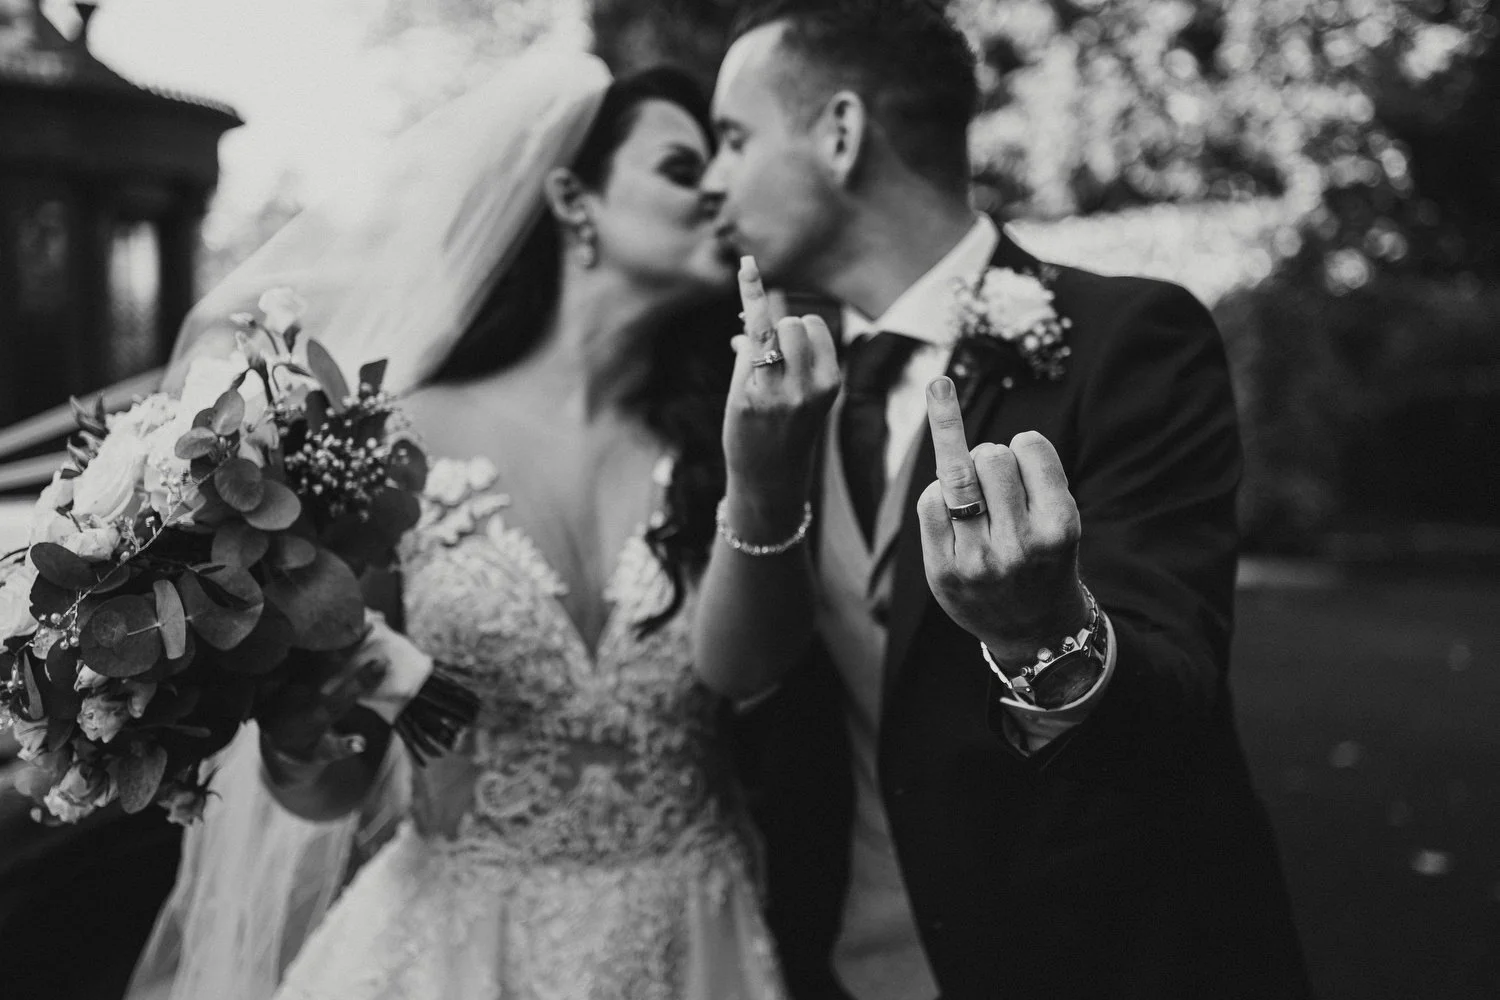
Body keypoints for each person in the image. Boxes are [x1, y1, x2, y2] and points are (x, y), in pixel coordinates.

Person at [127, 51, 839, 1000]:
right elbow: (335, 780)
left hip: (693, 938)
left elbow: (748, 675)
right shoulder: (394, 436)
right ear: (572, 199)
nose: (721, 187)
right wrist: (303, 737)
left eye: (725, 160)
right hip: (457, 952)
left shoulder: (740, 433)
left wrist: (764, 474)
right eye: (680, 165)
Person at [700, 2, 1314, 998]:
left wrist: (1049, 632)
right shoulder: (783, 393)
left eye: (735, 138)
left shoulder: (1129, 340)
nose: (712, 179)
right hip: (850, 964)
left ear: (841, 133)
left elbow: (1176, 692)